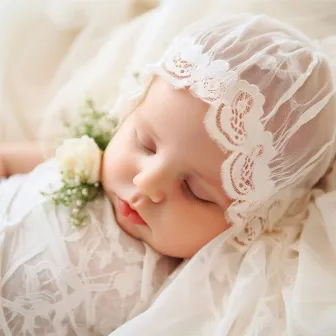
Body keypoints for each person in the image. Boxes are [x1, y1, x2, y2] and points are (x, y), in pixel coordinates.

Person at [1, 13, 336, 335]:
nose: (146, 182)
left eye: (195, 192)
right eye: (146, 145)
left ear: (245, 223)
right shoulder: (80, 158)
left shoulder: (177, 293)